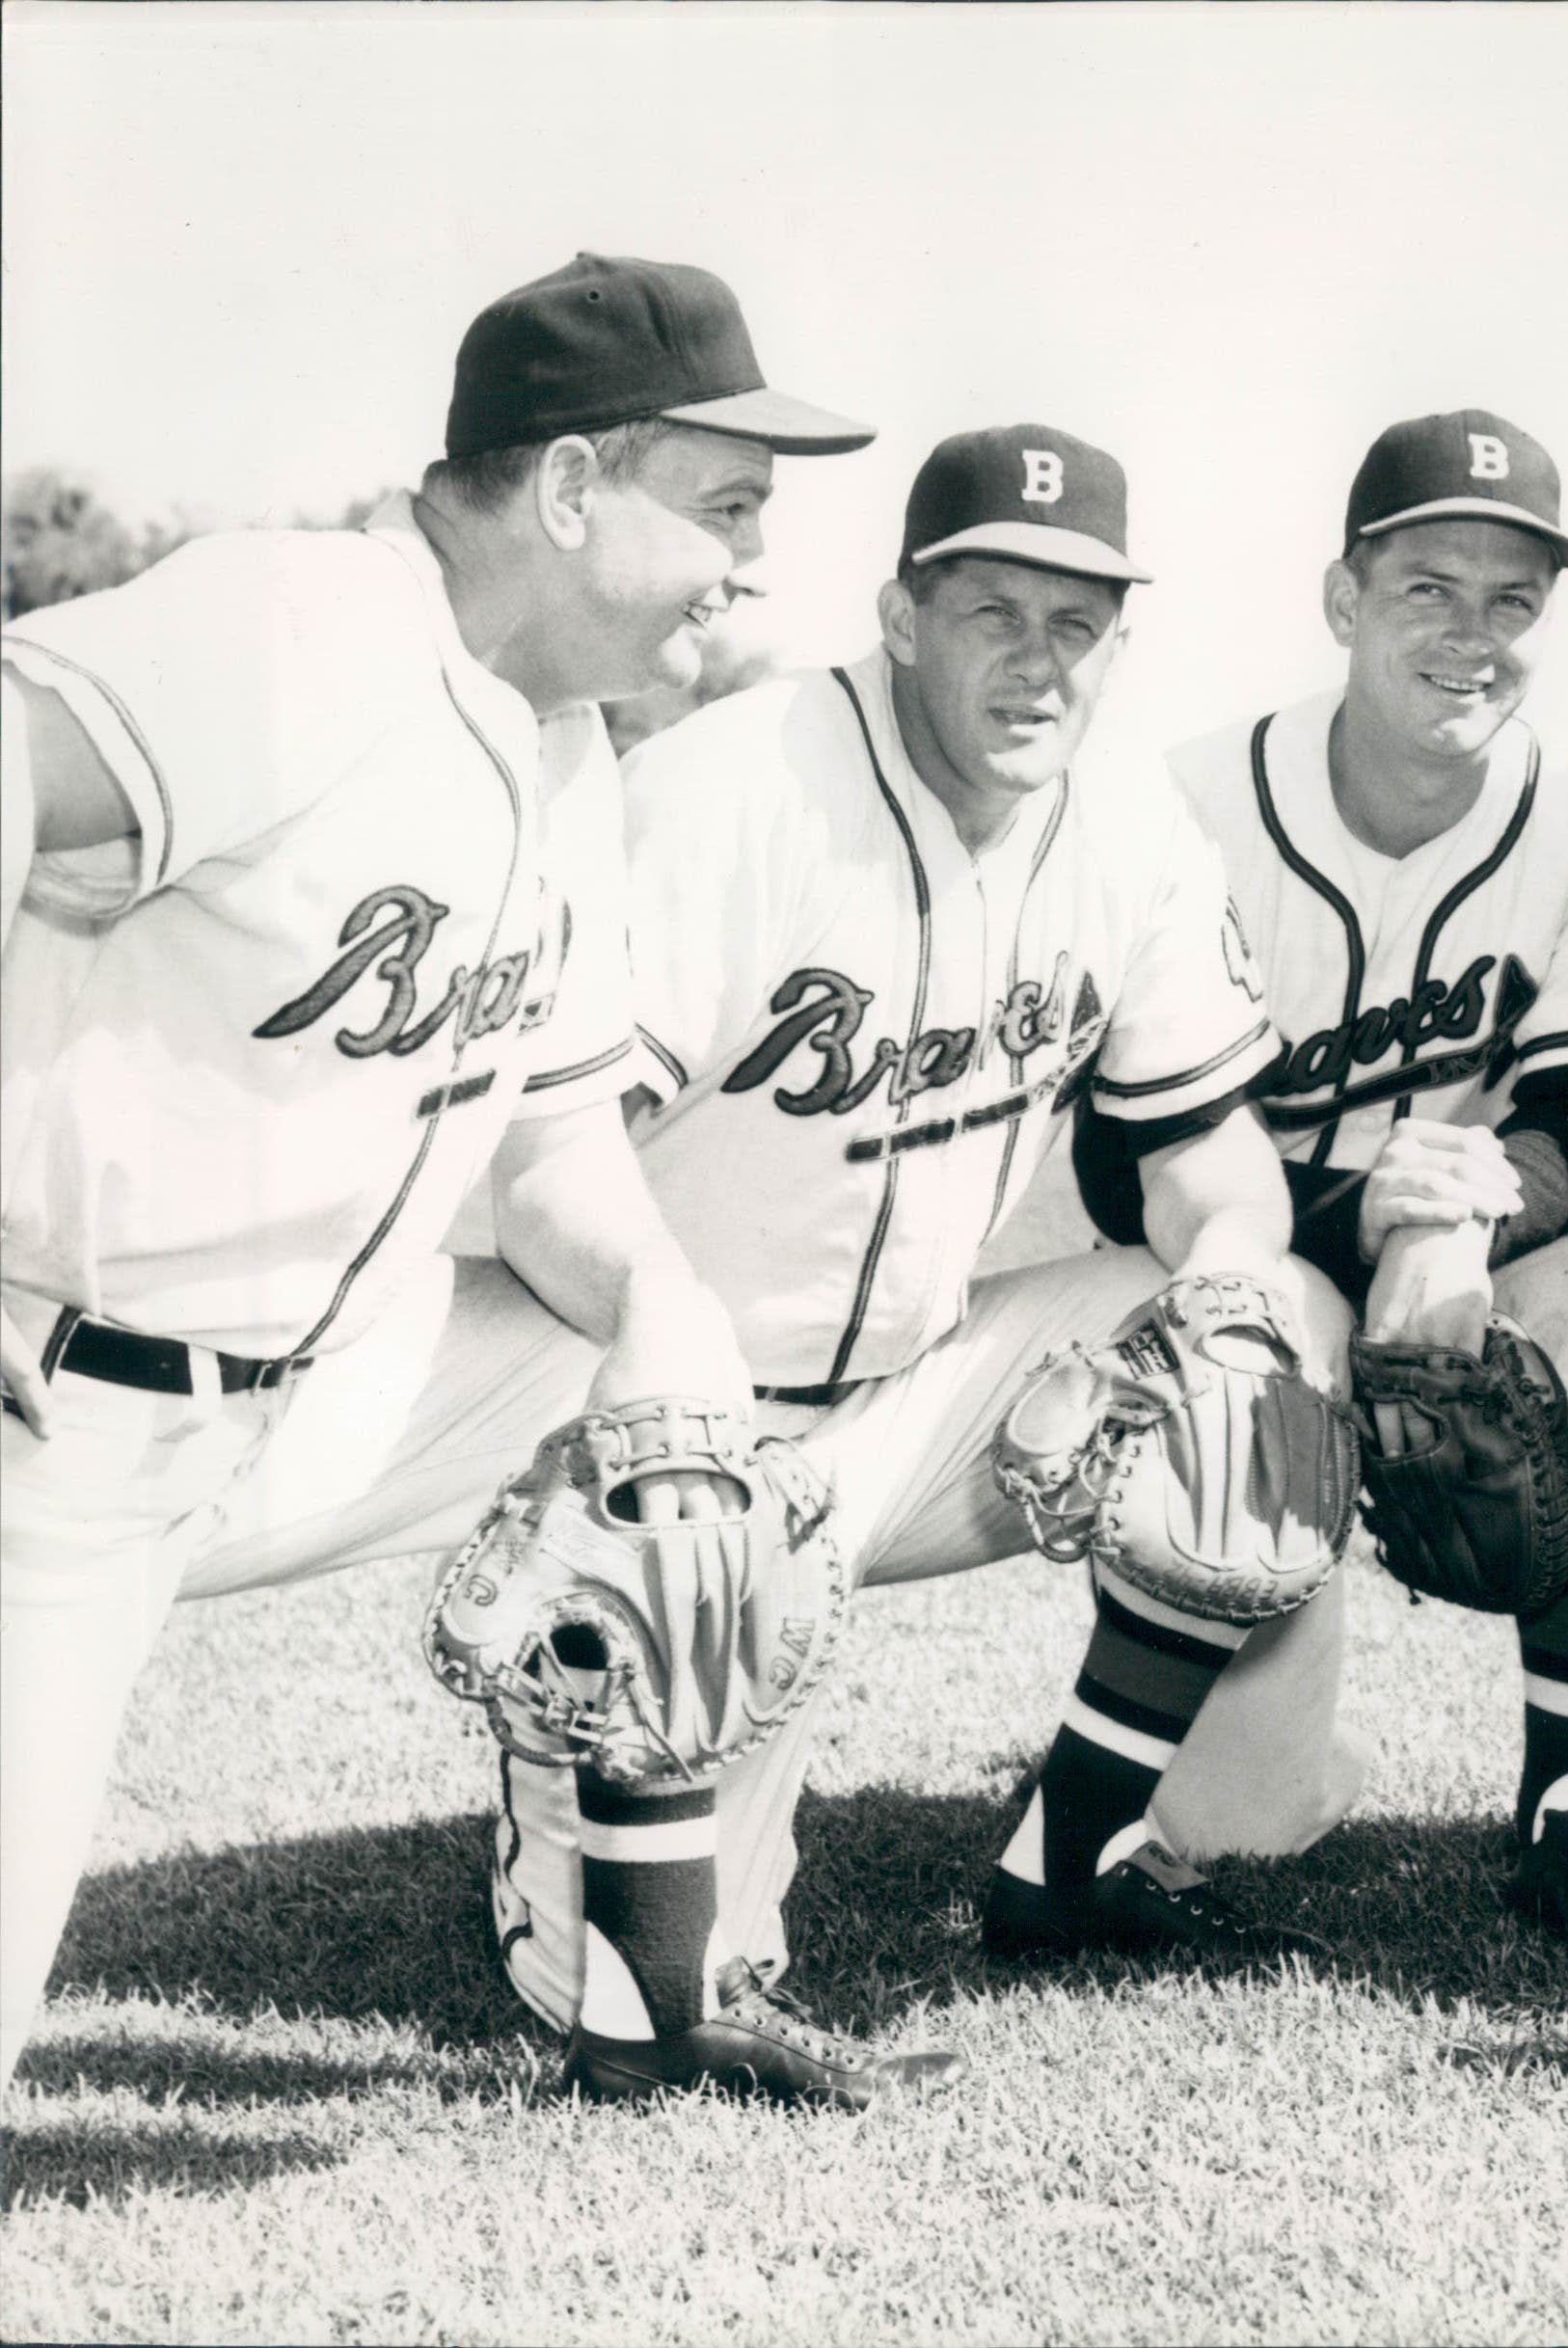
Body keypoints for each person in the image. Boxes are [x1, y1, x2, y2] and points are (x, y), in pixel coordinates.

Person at [187, 424, 1368, 2089]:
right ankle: (608, 1839)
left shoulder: (1131, 824)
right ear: (899, 615)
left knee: (1266, 1331)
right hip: (624, 1402)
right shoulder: (734, 793)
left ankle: (1069, 1869)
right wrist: (667, 1390)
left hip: (906, 1406)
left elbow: (1199, 1153)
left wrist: (1235, 1279)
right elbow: (550, 1162)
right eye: (993, 615)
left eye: (1077, 625)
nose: (1038, 664)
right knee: (671, 1986)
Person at [0, 251, 870, 2089]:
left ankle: (636, 1996)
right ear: (570, 489)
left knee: (682, 1430)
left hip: (302, 1402)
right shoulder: (302, 619)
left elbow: (559, 1159)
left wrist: (655, 1310)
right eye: (721, 506)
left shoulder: (563, 758)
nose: (749, 563)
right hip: (48, 1422)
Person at [1095, 410, 1568, 1949]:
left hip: (1475, 1265)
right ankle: (1246, 1698)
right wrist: (1362, 1209)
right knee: (1243, 1822)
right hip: (1256, 1252)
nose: (1472, 634)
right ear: (1342, 598)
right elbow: (1121, 1154)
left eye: (1513, 600)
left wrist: (1462, 1210)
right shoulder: (1190, 805)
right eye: (1430, 586)